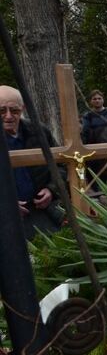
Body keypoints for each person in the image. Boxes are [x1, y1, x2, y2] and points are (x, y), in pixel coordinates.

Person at [2, 85, 65, 239]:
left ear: (22, 109)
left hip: (41, 209)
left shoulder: (39, 132)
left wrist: (51, 189)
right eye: (2, 111)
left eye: (14, 110)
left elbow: (61, 164)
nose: (8, 116)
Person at [81, 89, 107, 185]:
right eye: (94, 99)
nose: (97, 100)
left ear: (103, 100)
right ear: (91, 101)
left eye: (99, 98)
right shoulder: (87, 115)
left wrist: (103, 132)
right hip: (93, 152)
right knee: (95, 178)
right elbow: (86, 132)